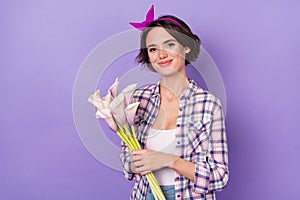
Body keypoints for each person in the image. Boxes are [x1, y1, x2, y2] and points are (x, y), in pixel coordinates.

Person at [120, 5, 229, 200]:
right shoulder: (138, 99)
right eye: (153, 49)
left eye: (169, 44)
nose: (161, 55)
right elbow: (126, 155)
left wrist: (169, 160)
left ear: (186, 47)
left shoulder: (208, 105)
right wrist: (132, 163)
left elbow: (219, 176)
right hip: (145, 195)